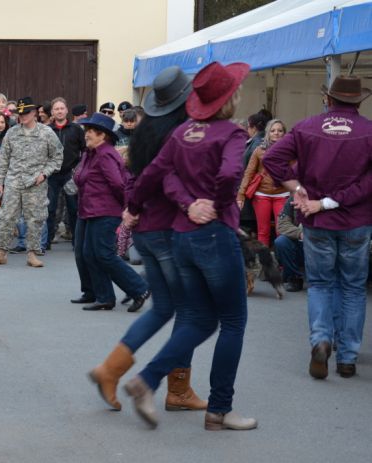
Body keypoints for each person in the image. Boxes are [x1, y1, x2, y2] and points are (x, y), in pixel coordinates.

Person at [123, 61, 257, 431]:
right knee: (232, 322)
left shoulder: (182, 132)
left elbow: (154, 175)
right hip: (215, 236)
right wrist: (217, 202)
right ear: (230, 98)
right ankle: (220, 409)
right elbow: (231, 174)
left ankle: (147, 380)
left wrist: (156, 206)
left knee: (198, 320)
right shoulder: (230, 134)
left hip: (181, 236)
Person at [88, 66, 206, 414]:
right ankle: (176, 389)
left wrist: (133, 208)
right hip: (171, 229)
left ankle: (110, 370)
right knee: (189, 312)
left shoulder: (143, 134)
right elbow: (171, 181)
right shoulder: (182, 134)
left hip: (146, 230)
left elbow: (131, 181)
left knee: (166, 308)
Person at [263, 75, 372, 380]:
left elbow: (271, 158)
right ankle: (348, 356)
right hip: (356, 221)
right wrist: (331, 200)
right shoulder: (368, 131)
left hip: (317, 220)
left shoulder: (307, 127)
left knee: (321, 285)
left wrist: (298, 188)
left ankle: (321, 341)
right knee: (352, 287)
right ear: (357, 101)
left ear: (329, 99)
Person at [71, 112, 151, 312]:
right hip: (90, 211)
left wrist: (127, 209)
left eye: (91, 131)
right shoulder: (90, 153)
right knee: (90, 253)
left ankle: (139, 288)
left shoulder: (105, 154)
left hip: (105, 212)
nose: (87, 134)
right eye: (87, 130)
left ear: (103, 136)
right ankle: (104, 296)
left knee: (104, 254)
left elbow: (119, 184)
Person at [0, 97, 63, 268]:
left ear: (34, 112)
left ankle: (33, 253)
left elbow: (57, 157)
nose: (22, 116)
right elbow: (3, 159)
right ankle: (1, 252)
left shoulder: (46, 133)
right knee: (5, 217)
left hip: (35, 183)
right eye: (20, 113)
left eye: (26, 113)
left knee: (35, 219)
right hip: (13, 182)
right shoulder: (12, 133)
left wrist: (45, 173)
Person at [236, 119, 289, 246]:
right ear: (268, 133)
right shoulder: (259, 150)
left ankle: (281, 262)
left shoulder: (290, 150)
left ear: (284, 133)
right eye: (273, 130)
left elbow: (296, 172)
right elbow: (248, 173)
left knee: (282, 231)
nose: (276, 133)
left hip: (282, 194)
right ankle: (265, 263)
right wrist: (240, 195)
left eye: (280, 130)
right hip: (261, 195)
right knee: (263, 231)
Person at [44, 97, 84, 250]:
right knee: (49, 209)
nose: (59, 111)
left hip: (70, 174)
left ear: (66, 110)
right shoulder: (46, 130)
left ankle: (77, 242)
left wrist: (78, 170)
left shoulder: (76, 129)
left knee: (74, 209)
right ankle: (46, 242)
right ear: (52, 112)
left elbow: (85, 151)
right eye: (56, 109)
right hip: (51, 175)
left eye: (62, 108)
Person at [274, 195, 304, 292]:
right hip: (300, 240)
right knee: (281, 242)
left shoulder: (324, 199)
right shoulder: (293, 199)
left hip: (320, 241)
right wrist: (300, 234)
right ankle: (294, 277)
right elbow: (282, 225)